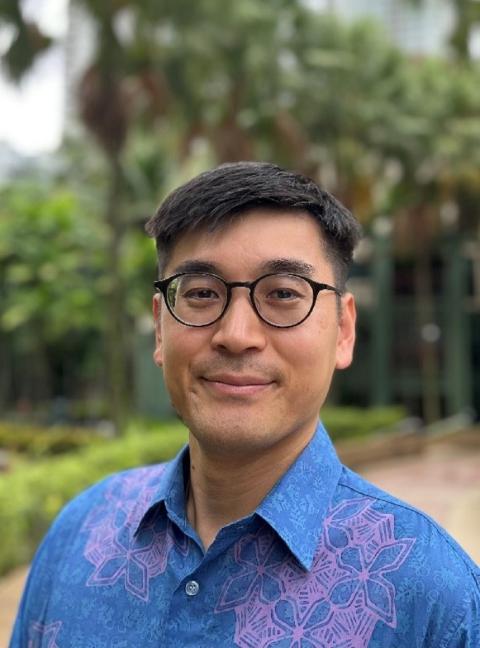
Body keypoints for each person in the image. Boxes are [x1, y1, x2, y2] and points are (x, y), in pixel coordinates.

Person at [10, 162, 479, 647]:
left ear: (343, 330)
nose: (236, 336)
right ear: (160, 328)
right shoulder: (80, 534)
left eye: (282, 293)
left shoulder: (432, 597)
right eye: (201, 294)